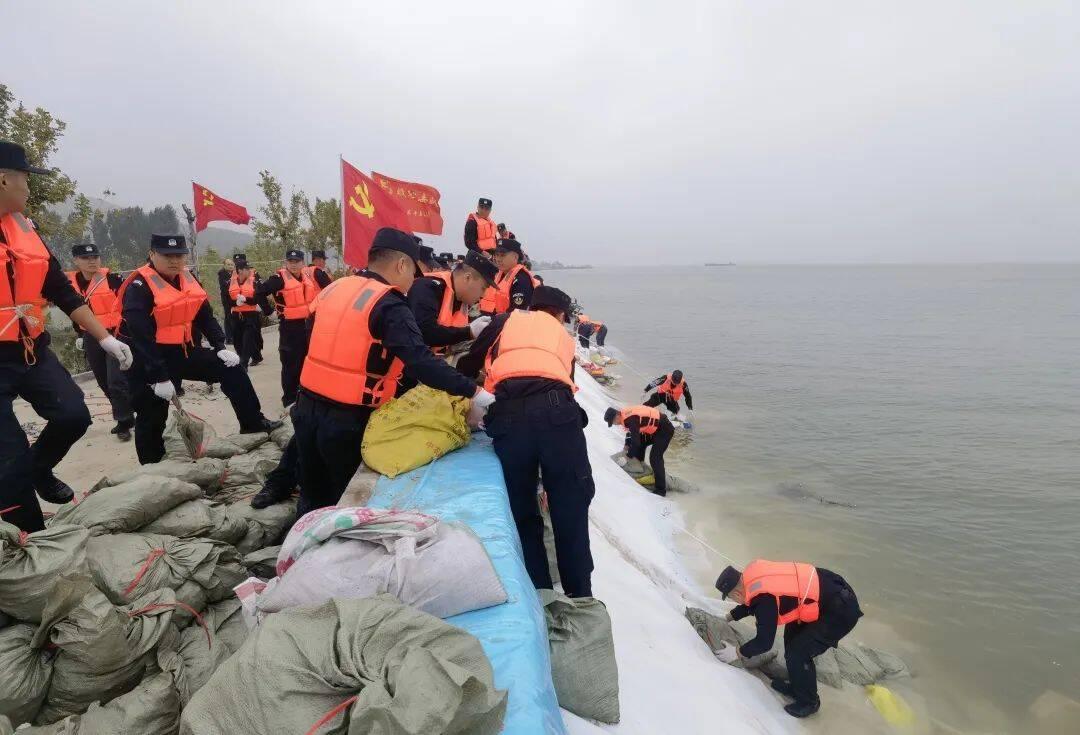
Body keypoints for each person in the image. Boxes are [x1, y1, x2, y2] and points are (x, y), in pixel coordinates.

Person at [292, 227, 493, 517]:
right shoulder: (388, 304)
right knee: (344, 502)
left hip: (306, 405)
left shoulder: (334, 288)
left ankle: (300, 548)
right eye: (413, 272)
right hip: (348, 420)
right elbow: (421, 361)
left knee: (311, 490)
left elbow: (309, 338)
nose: (413, 281)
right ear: (401, 264)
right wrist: (475, 391)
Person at [0, 141, 134, 531]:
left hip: (31, 351)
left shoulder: (25, 228)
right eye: (25, 179)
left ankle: (39, 469)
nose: (29, 188)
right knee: (7, 457)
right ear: (4, 178)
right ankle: (32, 541)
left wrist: (105, 337)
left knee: (74, 416)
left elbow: (61, 290)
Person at [459, 285, 595, 598]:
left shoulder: (504, 321)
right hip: (557, 415)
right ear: (560, 315)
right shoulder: (563, 337)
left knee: (522, 511)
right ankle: (581, 597)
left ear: (530, 306)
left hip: (507, 418)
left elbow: (467, 364)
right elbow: (567, 386)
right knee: (571, 508)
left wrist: (485, 378)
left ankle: (541, 595)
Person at [119, 233, 281, 464]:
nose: (174, 261)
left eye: (179, 255)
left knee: (231, 369)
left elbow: (204, 316)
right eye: (167, 256)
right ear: (152, 254)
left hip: (182, 351)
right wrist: (158, 376)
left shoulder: (188, 278)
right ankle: (152, 464)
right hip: (145, 358)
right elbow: (140, 336)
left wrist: (219, 345)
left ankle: (252, 422)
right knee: (152, 411)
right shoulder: (139, 285)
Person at [715, 561, 863, 718]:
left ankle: (810, 703)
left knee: (799, 653)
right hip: (823, 592)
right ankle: (798, 687)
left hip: (840, 609)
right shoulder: (751, 576)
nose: (735, 601)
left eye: (731, 598)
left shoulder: (763, 598)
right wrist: (728, 617)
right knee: (791, 642)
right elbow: (750, 603)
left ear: (737, 594)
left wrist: (738, 652)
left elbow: (764, 642)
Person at [66, 243, 134, 440]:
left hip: (116, 333)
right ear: (76, 261)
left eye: (95, 257)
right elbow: (73, 311)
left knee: (116, 380)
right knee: (103, 380)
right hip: (91, 336)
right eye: (86, 258)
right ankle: (125, 413)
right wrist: (79, 335)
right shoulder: (70, 285)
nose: (92, 261)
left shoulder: (113, 280)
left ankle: (124, 422)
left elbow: (129, 304)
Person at [255, 249, 316, 407]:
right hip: (289, 327)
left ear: (302, 263)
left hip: (307, 326)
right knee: (291, 364)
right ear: (286, 263)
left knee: (306, 362)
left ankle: (303, 396)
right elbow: (259, 292)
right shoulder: (279, 279)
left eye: (297, 262)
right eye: (290, 262)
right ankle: (289, 400)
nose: (293, 265)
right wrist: (269, 312)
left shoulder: (305, 278)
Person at [407, 250, 498, 356]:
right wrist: (469, 332)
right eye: (483, 288)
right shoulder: (428, 288)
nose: (483, 295)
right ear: (467, 278)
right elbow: (425, 332)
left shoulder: (460, 299)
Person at [604, 404, 674, 495]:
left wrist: (627, 457)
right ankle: (640, 467)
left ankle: (661, 490)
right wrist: (627, 444)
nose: (614, 424)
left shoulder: (630, 419)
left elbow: (635, 443)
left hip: (664, 429)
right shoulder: (624, 415)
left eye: (613, 422)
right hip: (655, 429)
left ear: (617, 416)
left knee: (655, 458)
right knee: (640, 444)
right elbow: (631, 433)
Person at [226, 254, 265, 369]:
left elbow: (257, 298)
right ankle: (251, 357)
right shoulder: (230, 282)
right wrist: (235, 303)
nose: (250, 271)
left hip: (250, 315)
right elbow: (226, 299)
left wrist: (246, 300)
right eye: (247, 269)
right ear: (240, 271)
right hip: (236, 315)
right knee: (238, 342)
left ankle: (243, 364)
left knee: (248, 340)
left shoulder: (254, 282)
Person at [482, 238, 536, 315]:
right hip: (494, 321)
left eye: (502, 255)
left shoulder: (522, 279)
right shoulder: (498, 275)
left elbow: (517, 313)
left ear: (515, 257)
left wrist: (492, 322)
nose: (498, 259)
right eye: (496, 255)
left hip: (510, 324)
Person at [216, 257, 235, 345]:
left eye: (231, 264)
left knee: (233, 318)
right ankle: (229, 338)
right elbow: (225, 288)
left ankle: (233, 337)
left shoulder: (233, 273)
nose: (230, 266)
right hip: (227, 299)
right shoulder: (222, 274)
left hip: (234, 299)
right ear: (224, 265)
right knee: (228, 318)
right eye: (228, 264)